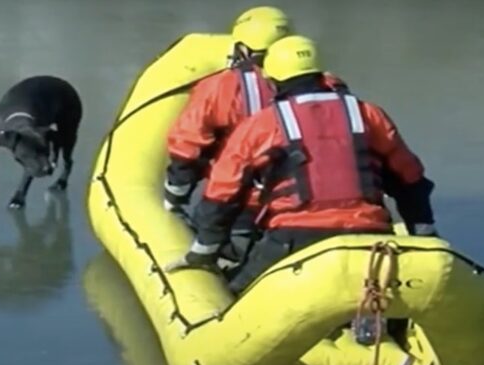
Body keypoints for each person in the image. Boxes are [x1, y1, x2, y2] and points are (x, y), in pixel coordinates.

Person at [166, 35, 439, 295]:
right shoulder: (367, 113)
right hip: (369, 237)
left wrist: (205, 249)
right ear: (322, 74)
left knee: (237, 292)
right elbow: (409, 178)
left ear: (272, 81)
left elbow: (223, 192)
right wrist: (424, 234)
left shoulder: (263, 125)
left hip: (294, 240)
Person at [163, 6, 292, 233]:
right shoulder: (330, 87)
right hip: (309, 202)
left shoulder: (222, 87)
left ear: (242, 48)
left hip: (245, 206)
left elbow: (188, 145)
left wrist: (174, 201)